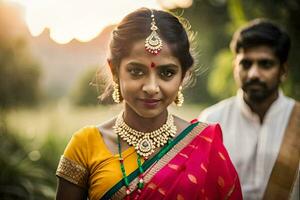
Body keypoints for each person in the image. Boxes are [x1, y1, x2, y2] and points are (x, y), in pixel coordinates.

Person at [56, 8, 242, 200]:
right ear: (114, 71)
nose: (152, 87)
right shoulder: (86, 145)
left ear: (183, 75)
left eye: (167, 73)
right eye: (136, 71)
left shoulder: (204, 145)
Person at [199, 19, 299, 200]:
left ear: (283, 70)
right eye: (246, 64)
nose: (254, 74)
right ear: (234, 67)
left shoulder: (298, 119)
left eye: (265, 64)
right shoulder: (211, 120)